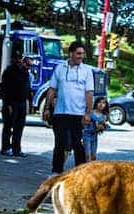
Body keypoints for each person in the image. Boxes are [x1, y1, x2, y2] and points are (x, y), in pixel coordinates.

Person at [42, 41, 94, 175]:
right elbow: (52, 89)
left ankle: (81, 173)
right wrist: (47, 108)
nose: (81, 56)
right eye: (78, 53)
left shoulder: (87, 71)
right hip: (61, 112)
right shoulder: (60, 68)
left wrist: (88, 113)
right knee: (59, 143)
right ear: (71, 53)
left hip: (78, 113)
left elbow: (89, 93)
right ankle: (56, 172)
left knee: (77, 144)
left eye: (82, 54)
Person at [0, 50, 30, 157]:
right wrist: (8, 104)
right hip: (12, 102)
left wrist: (28, 101)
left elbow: (27, 88)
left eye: (19, 58)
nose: (18, 60)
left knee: (19, 127)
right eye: (16, 58)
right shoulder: (9, 71)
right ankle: (6, 148)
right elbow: (5, 89)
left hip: (22, 102)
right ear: (12, 59)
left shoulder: (24, 71)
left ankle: (16, 148)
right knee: (8, 126)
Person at [82, 97, 109, 161]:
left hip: (94, 136)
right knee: (87, 154)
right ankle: (87, 167)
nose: (101, 104)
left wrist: (101, 127)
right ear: (96, 103)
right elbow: (83, 123)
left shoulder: (104, 116)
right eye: (99, 102)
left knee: (93, 155)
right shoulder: (91, 113)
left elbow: (102, 128)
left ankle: (92, 168)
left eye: (103, 103)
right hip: (86, 135)